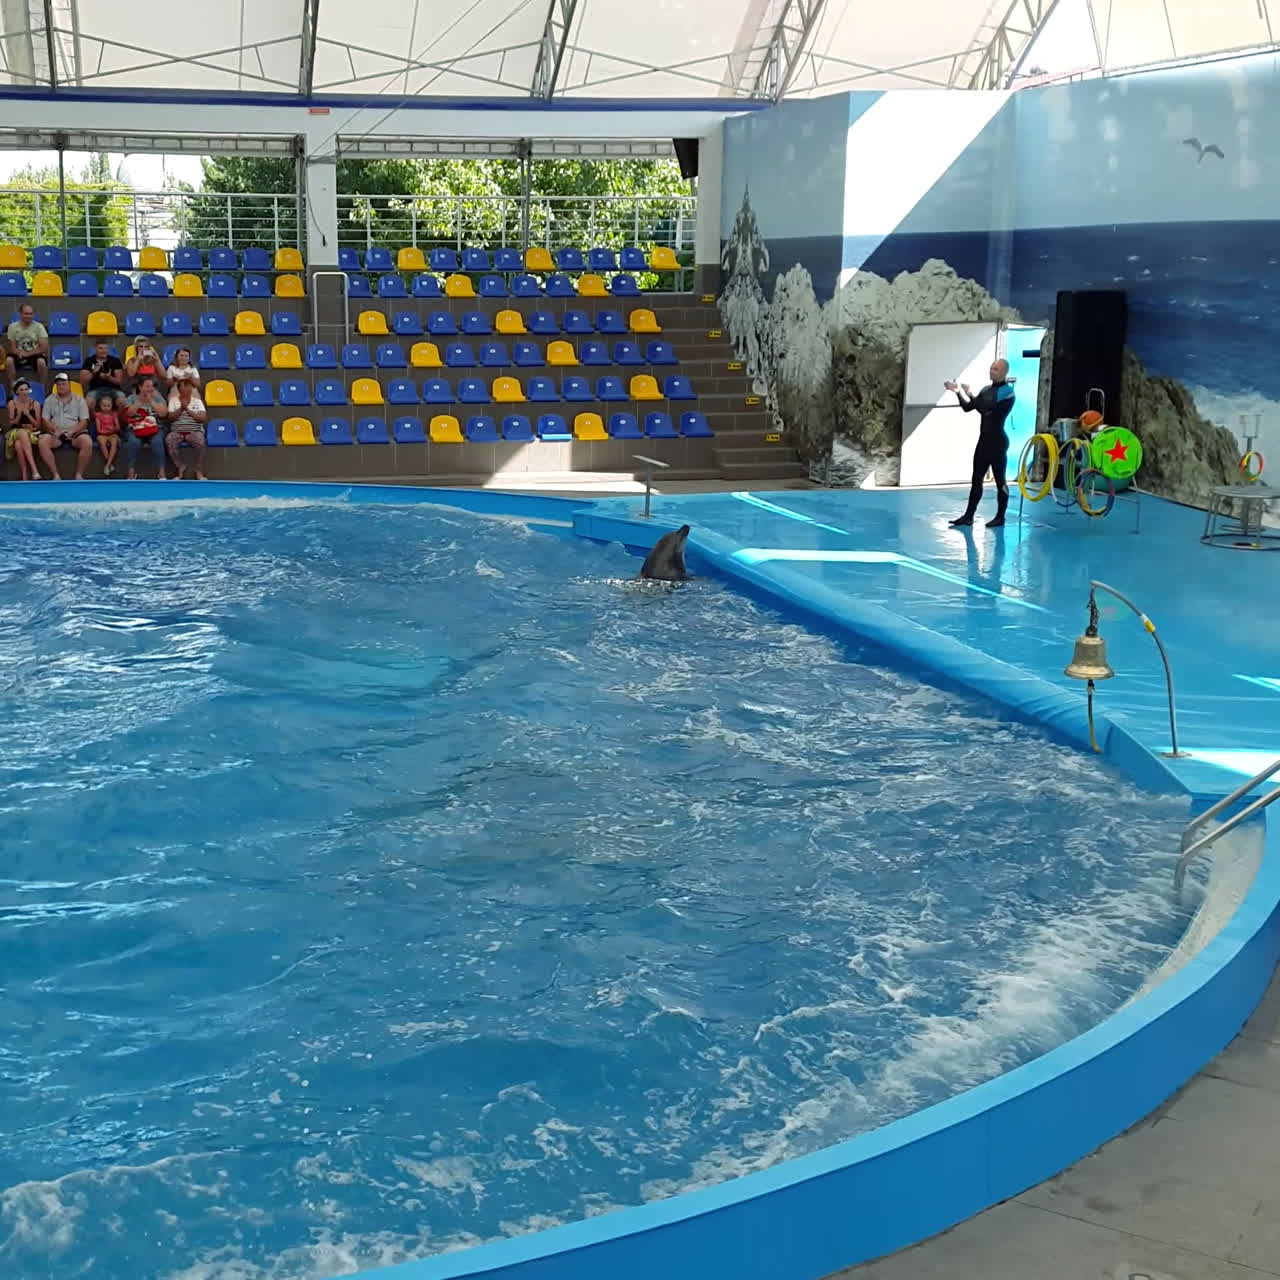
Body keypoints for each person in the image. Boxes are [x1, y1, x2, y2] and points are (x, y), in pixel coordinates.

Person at [944, 359, 1016, 528]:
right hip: (984, 442)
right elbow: (968, 407)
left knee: (1000, 481)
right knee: (976, 480)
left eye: (996, 369)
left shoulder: (1007, 392)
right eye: (991, 368)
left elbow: (987, 409)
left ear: (1004, 372)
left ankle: (1000, 517)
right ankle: (968, 516)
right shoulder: (986, 390)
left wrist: (971, 394)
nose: (992, 371)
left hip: (998, 442)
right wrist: (957, 392)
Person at [39, 372, 92, 480]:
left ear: (69, 385)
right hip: (56, 432)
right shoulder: (49, 400)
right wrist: (55, 429)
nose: (61, 386)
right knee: (42, 441)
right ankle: (55, 475)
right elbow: (45, 419)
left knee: (87, 442)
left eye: (64, 384)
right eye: (59, 384)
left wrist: (72, 431)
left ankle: (79, 475)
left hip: (75, 432)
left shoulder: (79, 400)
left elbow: (84, 421)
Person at [123, 375, 168, 480]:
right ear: (140, 387)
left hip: (155, 427)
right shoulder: (131, 398)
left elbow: (163, 414)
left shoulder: (158, 398)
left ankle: (161, 473)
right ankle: (131, 472)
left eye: (152, 386)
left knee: (157, 441)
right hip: (136, 427)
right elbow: (129, 414)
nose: (150, 389)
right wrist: (139, 402)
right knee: (133, 442)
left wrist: (151, 401)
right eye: (147, 386)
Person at [166, 376, 208, 480]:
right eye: (185, 387)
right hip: (177, 431)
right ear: (179, 389)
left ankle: (198, 470)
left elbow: (203, 418)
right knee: (169, 440)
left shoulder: (197, 401)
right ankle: (180, 466)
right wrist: (181, 408)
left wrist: (188, 410)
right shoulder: (173, 401)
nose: (188, 389)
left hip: (195, 431)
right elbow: (170, 418)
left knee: (201, 442)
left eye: (189, 387)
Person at [6, 378, 43, 480]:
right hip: (15, 432)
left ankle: (24, 475)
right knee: (22, 433)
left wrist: (28, 415)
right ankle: (35, 471)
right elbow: (11, 423)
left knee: (18, 444)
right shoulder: (12, 404)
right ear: (17, 392)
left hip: (32, 433)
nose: (24, 392)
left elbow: (39, 425)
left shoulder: (35, 404)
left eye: (26, 389)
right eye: (21, 390)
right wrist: (18, 415)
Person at [6, 303, 49, 390]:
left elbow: (44, 347)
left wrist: (28, 354)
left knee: (41, 362)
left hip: (34, 353)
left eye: (31, 314)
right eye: (26, 314)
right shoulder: (12, 327)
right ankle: (13, 387)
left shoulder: (39, 327)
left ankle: (42, 387)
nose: (29, 316)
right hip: (18, 353)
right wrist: (19, 353)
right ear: (20, 314)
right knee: (9, 360)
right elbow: (12, 347)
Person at [80, 338, 125, 405]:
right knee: (88, 402)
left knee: (123, 401)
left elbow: (119, 381)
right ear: (95, 349)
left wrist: (109, 378)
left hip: (114, 389)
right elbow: (83, 381)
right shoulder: (89, 361)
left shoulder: (115, 361)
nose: (104, 351)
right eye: (100, 348)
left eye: (106, 348)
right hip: (95, 389)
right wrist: (93, 372)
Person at [93, 392, 122, 476]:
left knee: (114, 442)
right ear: (100, 406)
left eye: (108, 406)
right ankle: (110, 464)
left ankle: (107, 465)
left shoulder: (114, 414)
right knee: (101, 441)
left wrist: (113, 429)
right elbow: (99, 430)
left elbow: (118, 427)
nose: (106, 408)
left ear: (112, 406)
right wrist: (107, 431)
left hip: (112, 434)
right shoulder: (98, 415)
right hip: (102, 434)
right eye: (104, 406)